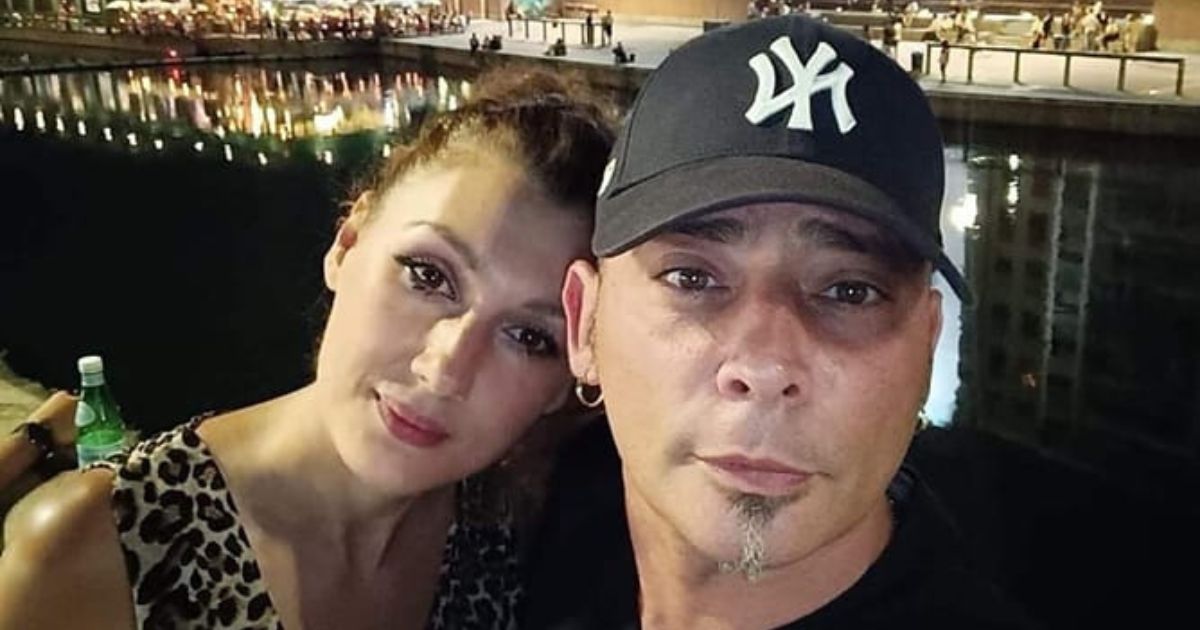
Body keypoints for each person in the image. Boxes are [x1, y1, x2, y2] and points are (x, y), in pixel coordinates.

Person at [0, 69, 615, 630]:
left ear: (570, 375)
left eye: (529, 337)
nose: (446, 367)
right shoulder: (99, 551)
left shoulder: (527, 534)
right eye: (428, 275)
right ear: (347, 243)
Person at [522, 15, 1038, 629]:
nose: (764, 367)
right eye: (692, 278)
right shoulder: (521, 543)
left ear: (927, 349)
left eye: (849, 291)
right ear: (585, 324)